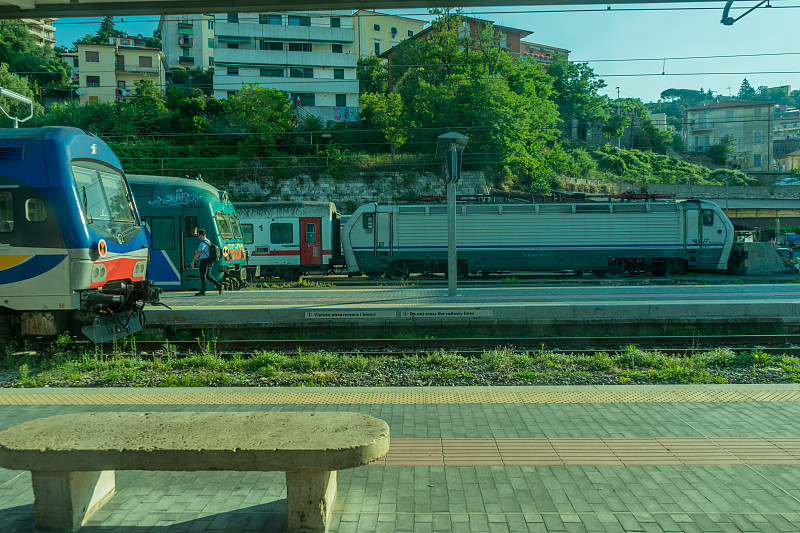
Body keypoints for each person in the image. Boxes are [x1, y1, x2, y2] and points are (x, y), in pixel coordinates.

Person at [189, 229, 223, 296]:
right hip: (209, 260)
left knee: (203, 276)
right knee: (208, 276)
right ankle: (219, 285)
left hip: (204, 261)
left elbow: (198, 253)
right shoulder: (208, 241)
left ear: (201, 235)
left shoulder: (202, 243)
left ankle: (202, 291)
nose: (198, 237)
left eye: (198, 235)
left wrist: (193, 261)